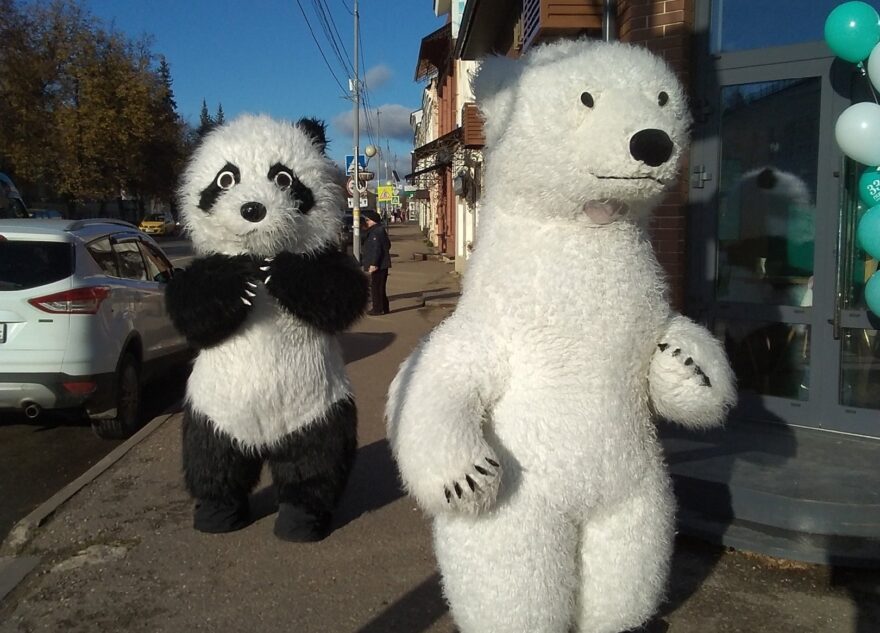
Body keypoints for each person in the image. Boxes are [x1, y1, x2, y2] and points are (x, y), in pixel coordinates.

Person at [360, 209, 391, 315]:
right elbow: (387, 245)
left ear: (373, 221)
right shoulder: (377, 230)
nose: (366, 222)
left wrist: (374, 264)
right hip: (381, 264)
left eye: (367, 220)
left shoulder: (376, 232)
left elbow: (377, 249)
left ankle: (378, 309)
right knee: (380, 287)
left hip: (379, 265)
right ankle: (384, 308)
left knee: (376, 288)